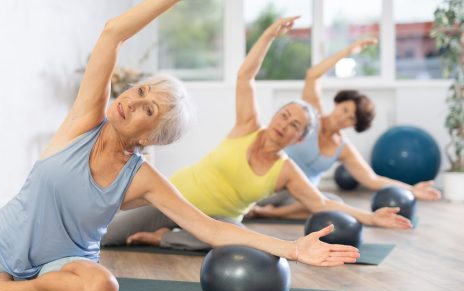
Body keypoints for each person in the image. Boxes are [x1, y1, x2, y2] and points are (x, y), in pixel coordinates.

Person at [0, 3, 360, 291]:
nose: (131, 100)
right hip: (1, 239)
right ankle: (7, 284)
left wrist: (292, 249)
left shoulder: (142, 175)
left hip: (63, 263)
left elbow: (210, 227)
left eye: (147, 108)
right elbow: (112, 33)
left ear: (151, 136)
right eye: (139, 91)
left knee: (100, 287)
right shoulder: (83, 122)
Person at [101, 17, 411, 253]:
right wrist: (267, 36)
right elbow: (245, 76)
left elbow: (320, 203)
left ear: (299, 138)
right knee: (107, 237)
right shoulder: (248, 126)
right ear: (275, 114)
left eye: (294, 125)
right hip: (174, 200)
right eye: (284, 115)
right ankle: (165, 231)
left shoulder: (287, 171)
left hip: (219, 222)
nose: (284, 124)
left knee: (241, 239)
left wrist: (372, 218)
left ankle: (165, 239)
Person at [248, 38, 441, 220]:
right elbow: (312, 75)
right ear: (338, 102)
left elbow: (372, 179)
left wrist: (412, 190)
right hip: (275, 181)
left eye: (351, 118)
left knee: (335, 202)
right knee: (251, 196)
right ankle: (260, 208)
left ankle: (271, 213)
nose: (344, 117)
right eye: (345, 109)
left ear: (353, 125)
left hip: (301, 196)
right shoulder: (312, 115)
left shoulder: (343, 148)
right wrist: (348, 51)